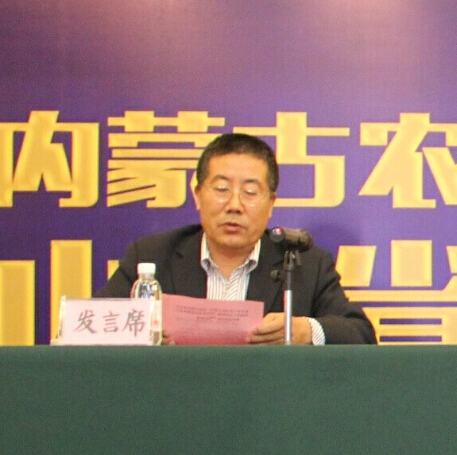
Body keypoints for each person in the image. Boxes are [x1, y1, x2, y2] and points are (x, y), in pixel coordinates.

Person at [95, 133, 376, 344]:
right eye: (221, 189)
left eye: (250, 192)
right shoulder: (152, 256)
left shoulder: (305, 264)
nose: (234, 205)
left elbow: (360, 334)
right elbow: (93, 326)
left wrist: (306, 330)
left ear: (271, 203)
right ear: (197, 195)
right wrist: (143, 333)